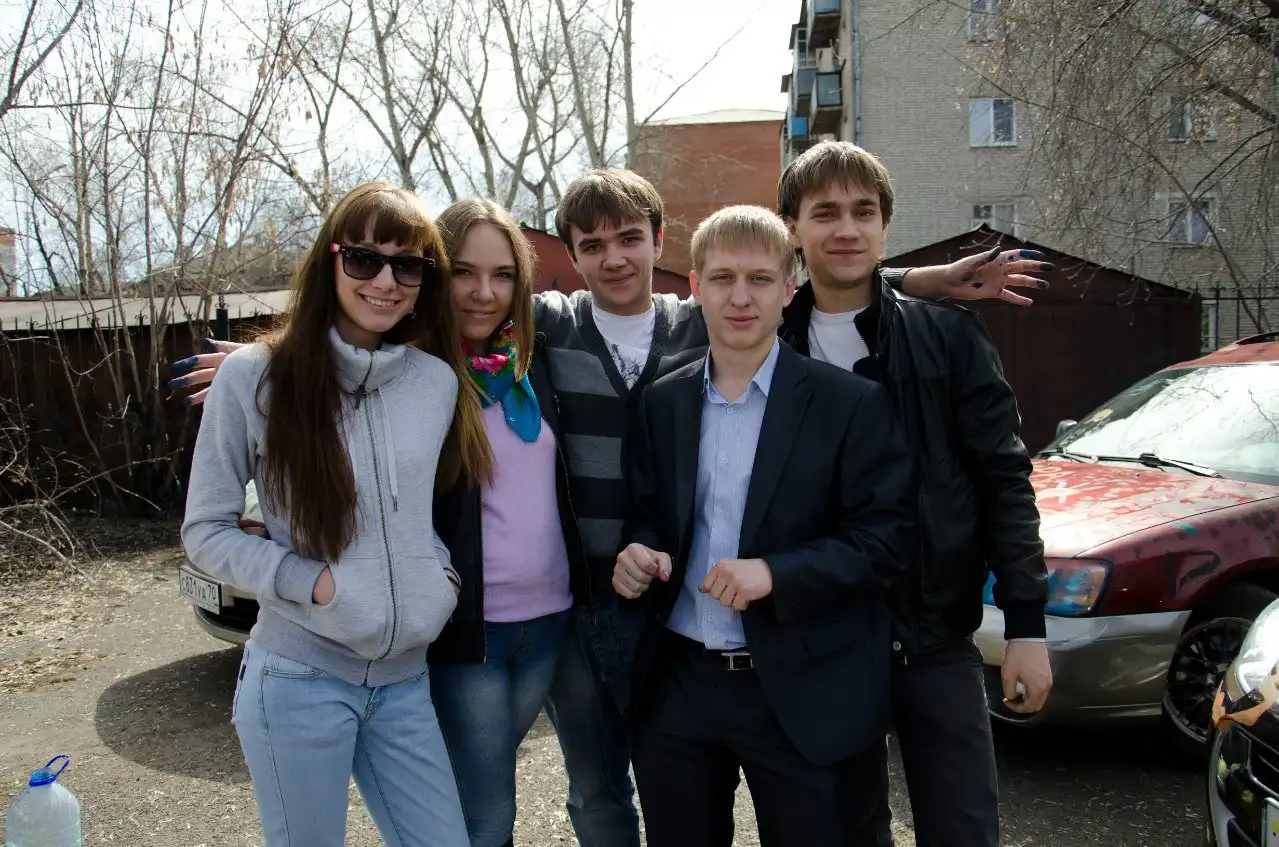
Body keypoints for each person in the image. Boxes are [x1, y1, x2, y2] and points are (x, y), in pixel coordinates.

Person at [170, 168, 1047, 847]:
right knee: (494, 808)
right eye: (591, 243)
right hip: (539, 618)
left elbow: (808, 279)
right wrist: (285, 354)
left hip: (673, 622)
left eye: (630, 238)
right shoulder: (540, 330)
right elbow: (418, 298)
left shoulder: (699, 325)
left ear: (661, 247)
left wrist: (916, 281)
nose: (614, 256)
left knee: (607, 790)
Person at [775, 140, 1053, 847]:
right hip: (825, 640)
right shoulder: (767, 345)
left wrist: (1026, 627)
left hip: (934, 636)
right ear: (792, 228)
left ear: (884, 224)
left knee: (963, 828)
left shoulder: (947, 333)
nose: (846, 229)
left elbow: (1003, 478)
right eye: (825, 213)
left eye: (863, 211)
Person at [611, 204, 917, 846]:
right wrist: (638, 553)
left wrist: (776, 574)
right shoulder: (663, 401)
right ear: (695, 287)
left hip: (802, 685)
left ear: (788, 288)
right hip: (679, 685)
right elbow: (646, 516)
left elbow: (888, 541)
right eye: (723, 278)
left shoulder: (849, 404)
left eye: (759, 279)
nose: (741, 297)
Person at [180, 182, 473, 846]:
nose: (385, 281)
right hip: (299, 677)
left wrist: (439, 578)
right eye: (365, 258)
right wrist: (310, 583)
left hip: (404, 683)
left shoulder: (434, 383)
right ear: (330, 261)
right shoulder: (254, 377)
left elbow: (414, 514)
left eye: (408, 265)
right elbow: (206, 530)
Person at [427, 197, 581, 847]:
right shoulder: (417, 373)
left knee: (475, 789)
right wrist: (268, 361)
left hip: (549, 622)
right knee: (489, 811)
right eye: (463, 272)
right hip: (472, 633)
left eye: (502, 275)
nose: (483, 293)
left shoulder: (532, 362)